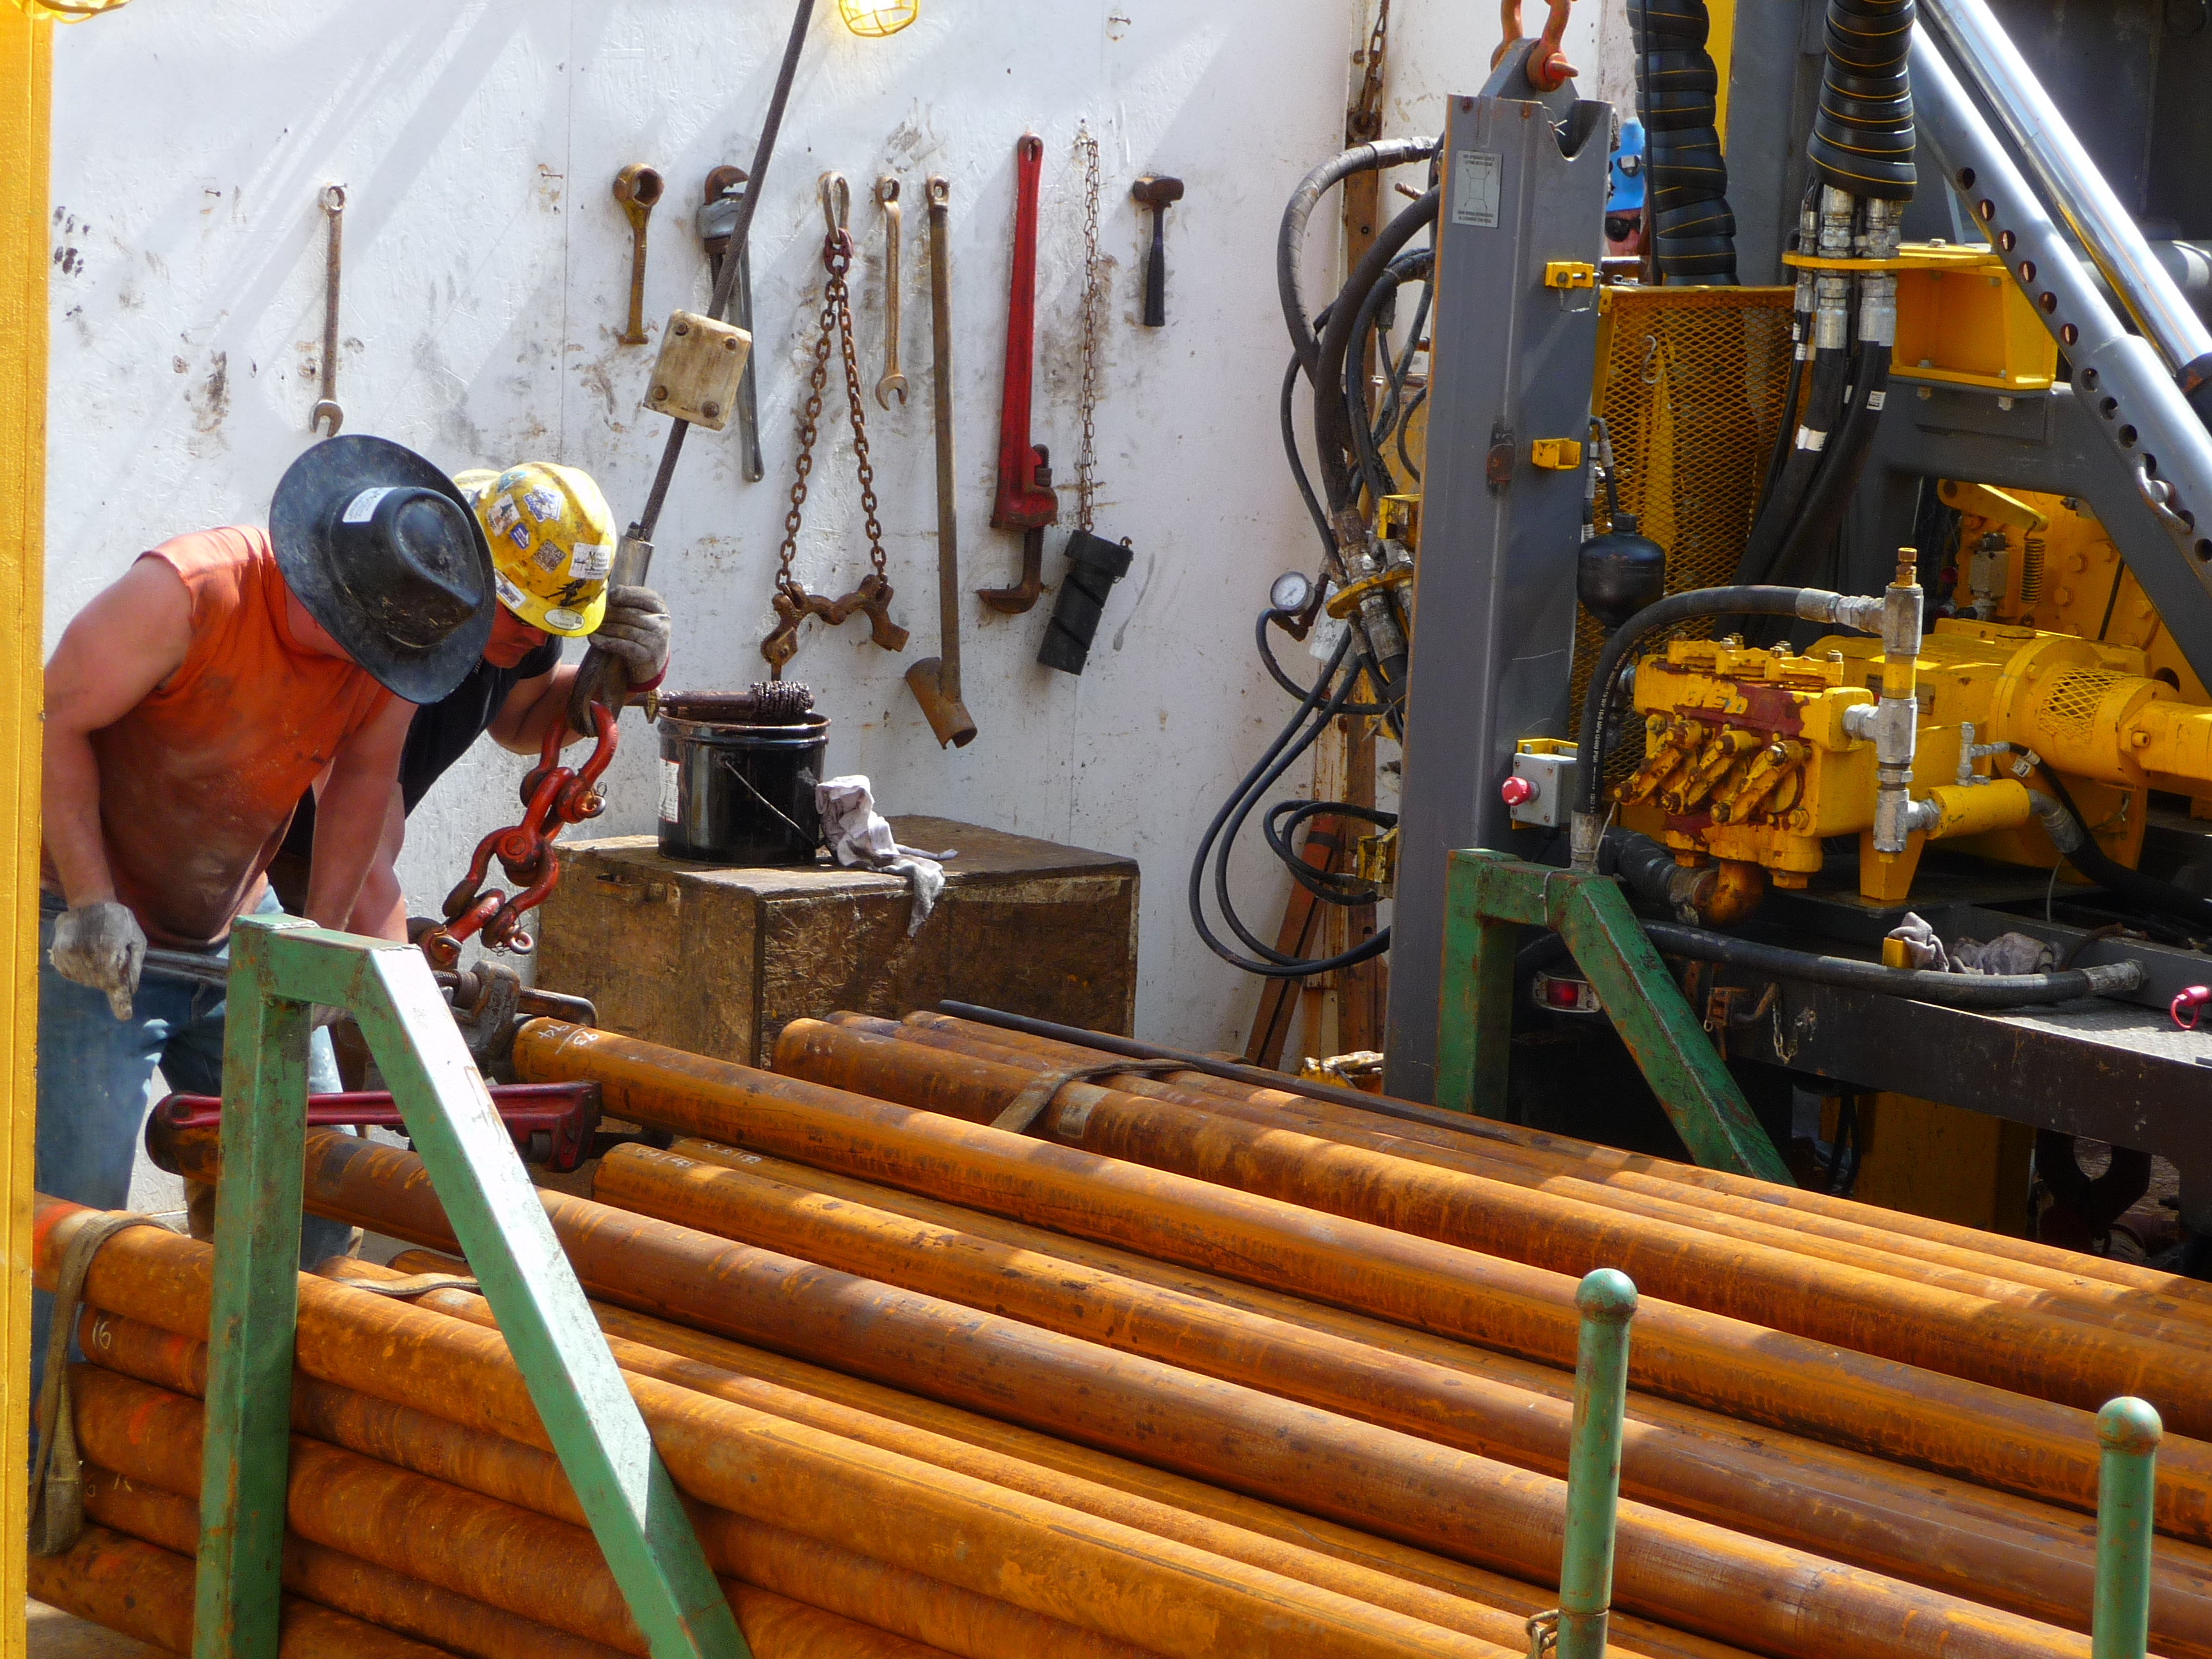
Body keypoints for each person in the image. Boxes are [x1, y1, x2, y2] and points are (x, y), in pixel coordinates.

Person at [36, 434, 495, 1382]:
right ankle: (45, 1438)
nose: (372, 665)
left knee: (318, 1191)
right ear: (321, 579)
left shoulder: (389, 645)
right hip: (80, 925)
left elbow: (363, 780)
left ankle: (248, 1407)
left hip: (236, 929)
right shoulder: (188, 593)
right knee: (72, 1218)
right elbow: (51, 722)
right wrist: (88, 902)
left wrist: (318, 940)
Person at [268, 461, 671, 939]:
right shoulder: (383, 627)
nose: (538, 638)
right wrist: (400, 974)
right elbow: (363, 845)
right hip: (265, 856)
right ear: (470, 569)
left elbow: (522, 719)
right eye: (524, 617)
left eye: (553, 624)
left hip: (340, 868)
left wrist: (622, 678)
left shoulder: (520, 632)